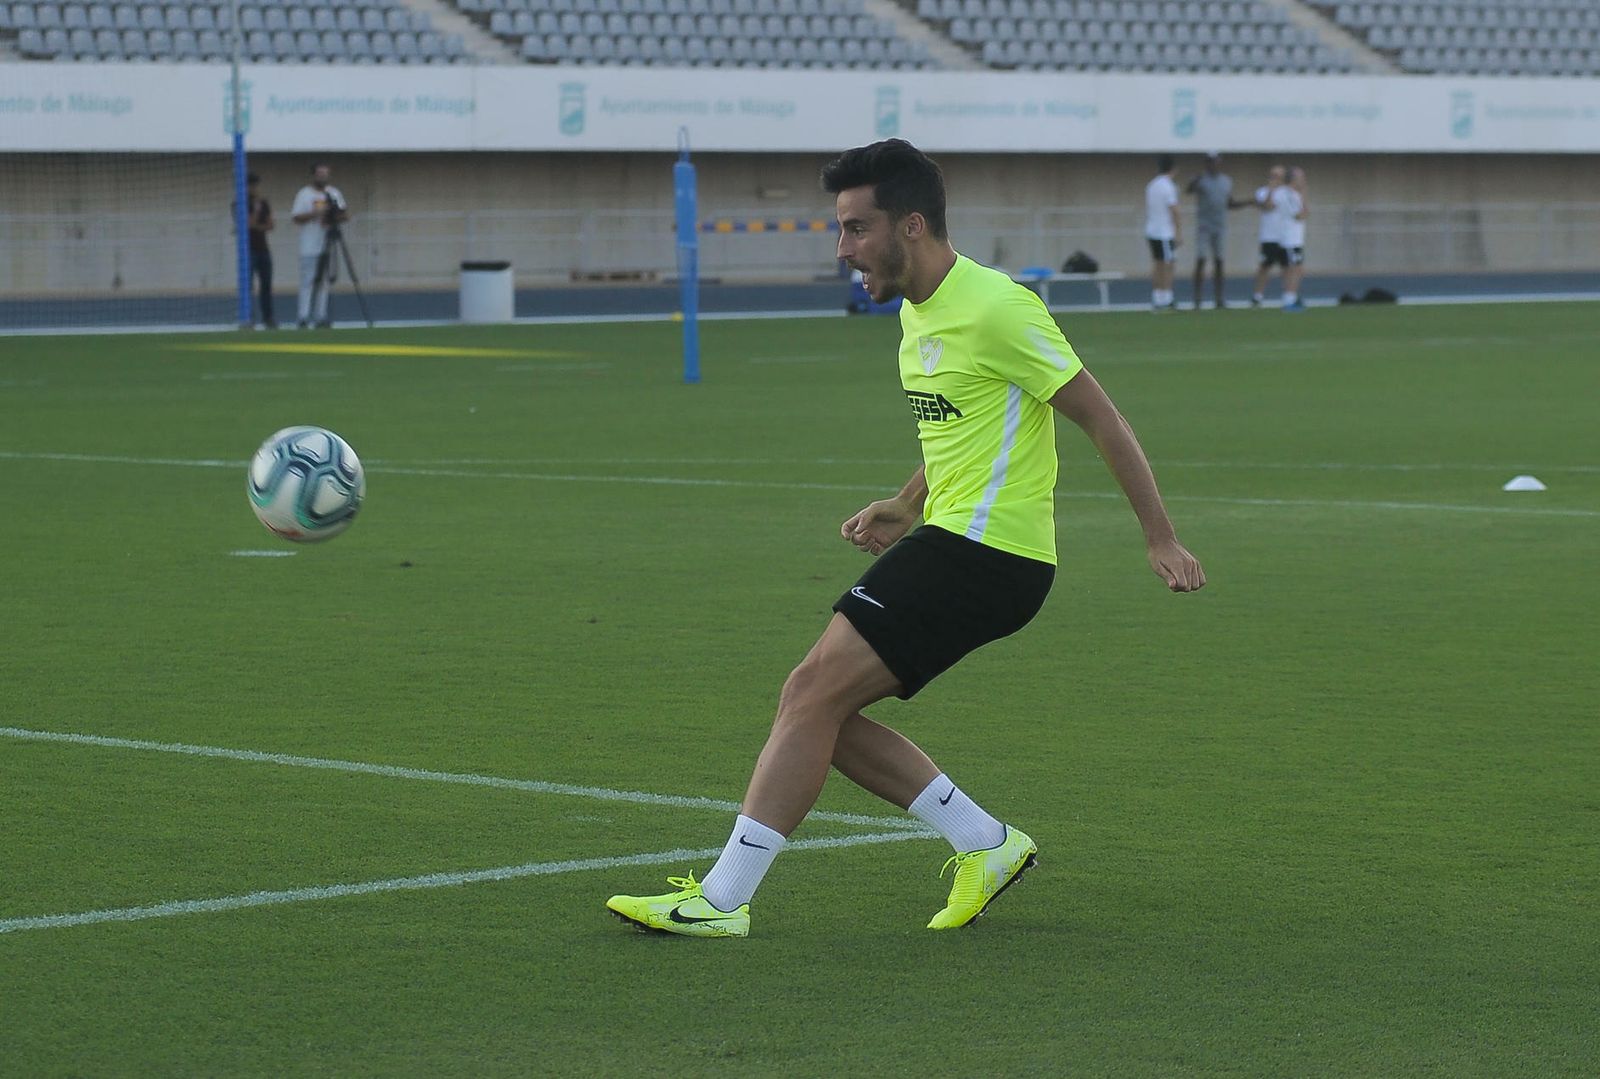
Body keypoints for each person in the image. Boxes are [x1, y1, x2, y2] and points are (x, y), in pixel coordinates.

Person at [605, 139, 1206, 939]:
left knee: (810, 693)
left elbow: (1103, 417)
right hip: (958, 539)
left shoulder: (999, 306)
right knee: (817, 709)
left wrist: (1159, 537)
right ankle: (985, 843)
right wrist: (907, 500)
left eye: (856, 228)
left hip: (992, 553)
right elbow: (960, 426)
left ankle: (722, 899)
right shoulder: (917, 312)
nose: (843, 247)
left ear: (911, 225)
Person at [1185, 152, 1253, 310]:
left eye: (1215, 162)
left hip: (1220, 226)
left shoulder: (1226, 181)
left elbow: (1230, 203)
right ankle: (1197, 299)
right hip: (1204, 226)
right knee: (1201, 260)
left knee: (1219, 261)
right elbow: (1189, 190)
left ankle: (1219, 299)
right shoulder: (1201, 180)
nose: (1213, 165)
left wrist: (1248, 202)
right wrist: (1194, 180)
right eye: (1210, 162)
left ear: (1219, 163)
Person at [290, 163, 348, 329]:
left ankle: (321, 316)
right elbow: (296, 217)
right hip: (309, 245)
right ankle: (303, 316)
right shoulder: (304, 194)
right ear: (313, 175)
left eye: (325, 174)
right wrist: (315, 214)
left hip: (327, 244)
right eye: (319, 173)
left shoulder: (334, 193)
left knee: (324, 282)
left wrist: (333, 216)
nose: (323, 177)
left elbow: (344, 213)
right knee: (307, 280)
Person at [1143, 154, 1181, 310]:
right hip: (1164, 232)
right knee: (1167, 264)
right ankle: (1166, 298)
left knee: (1158, 263)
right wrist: (1179, 231)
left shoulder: (1151, 185)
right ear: (1173, 169)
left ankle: (1157, 296)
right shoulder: (1168, 186)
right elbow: (1175, 210)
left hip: (1152, 230)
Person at [1250, 165, 1289, 308]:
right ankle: (1257, 295)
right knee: (1265, 266)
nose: (1275, 179)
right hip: (1268, 236)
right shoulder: (1262, 192)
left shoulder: (1287, 193)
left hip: (1285, 237)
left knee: (1286, 267)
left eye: (1278, 176)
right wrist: (1271, 190)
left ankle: (1288, 295)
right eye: (1273, 176)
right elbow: (1268, 206)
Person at [243, 173, 276, 329]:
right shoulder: (240, 204)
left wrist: (257, 225)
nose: (254, 189)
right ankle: (248, 318)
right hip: (247, 251)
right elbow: (247, 225)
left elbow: (270, 225)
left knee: (266, 285)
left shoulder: (264, 203)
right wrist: (255, 213)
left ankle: (268, 318)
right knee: (247, 286)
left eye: (256, 185)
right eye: (251, 186)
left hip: (263, 249)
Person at [1279, 166, 1309, 312]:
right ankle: (1289, 300)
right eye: (1301, 177)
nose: (1303, 181)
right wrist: (1303, 198)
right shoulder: (1287, 194)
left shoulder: (1294, 195)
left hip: (1296, 239)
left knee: (1297, 269)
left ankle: (1291, 297)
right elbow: (1300, 214)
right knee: (1294, 270)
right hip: (1290, 239)